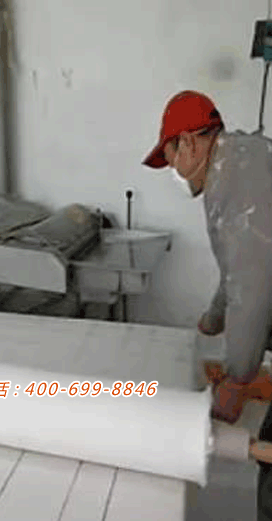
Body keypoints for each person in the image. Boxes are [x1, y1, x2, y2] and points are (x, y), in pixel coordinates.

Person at [143, 91, 272, 520]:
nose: (174, 172)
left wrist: (237, 380)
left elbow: (254, 285)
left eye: (170, 158)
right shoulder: (240, 163)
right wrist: (213, 318)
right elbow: (242, 265)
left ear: (189, 143)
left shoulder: (236, 180)